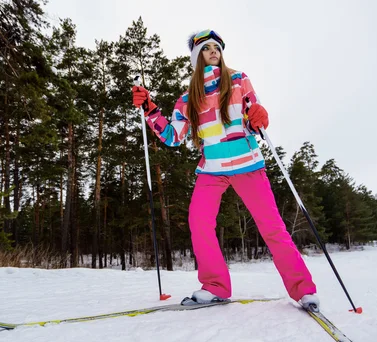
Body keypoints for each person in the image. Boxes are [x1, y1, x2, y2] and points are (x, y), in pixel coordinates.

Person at [132, 29, 319, 310]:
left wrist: (259, 117)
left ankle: (303, 290)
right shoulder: (187, 99)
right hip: (212, 169)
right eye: (207, 48)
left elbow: (254, 113)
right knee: (198, 222)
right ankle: (216, 286)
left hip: (247, 164)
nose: (214, 51)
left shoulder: (239, 80)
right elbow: (172, 136)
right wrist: (149, 108)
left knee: (272, 228)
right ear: (197, 57)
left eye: (216, 47)